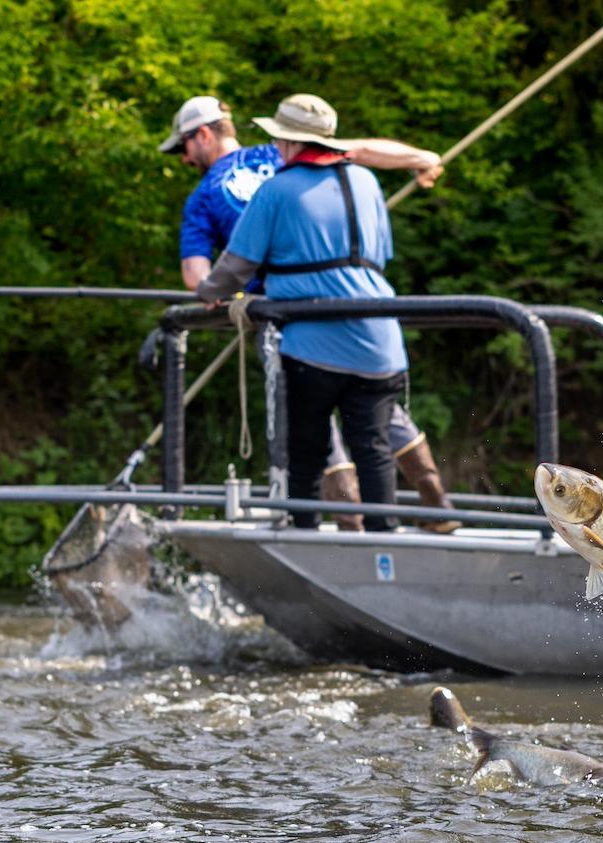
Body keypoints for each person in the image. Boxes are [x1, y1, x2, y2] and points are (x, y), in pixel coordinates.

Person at [162, 94, 460, 533]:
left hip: (297, 331)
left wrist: (213, 295)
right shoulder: (361, 179)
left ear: (202, 134)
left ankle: (342, 527)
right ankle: (429, 512)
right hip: (376, 327)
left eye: (183, 147)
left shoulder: (237, 191)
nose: (185, 157)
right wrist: (423, 158)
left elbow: (209, 274)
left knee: (312, 443)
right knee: (377, 435)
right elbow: (379, 238)